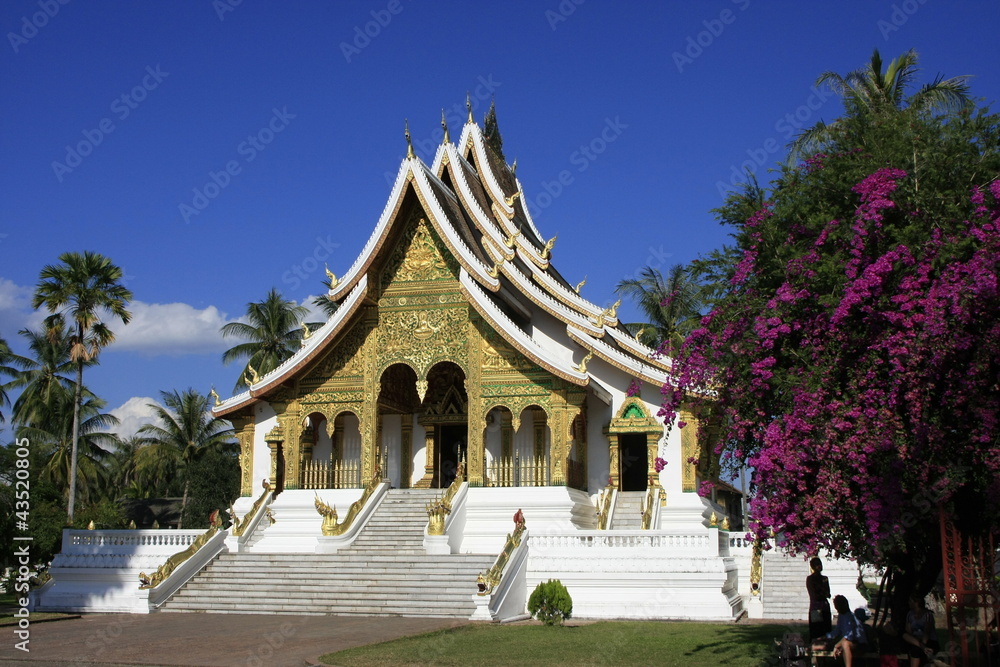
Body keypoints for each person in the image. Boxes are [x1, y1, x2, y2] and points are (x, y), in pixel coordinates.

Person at [814, 594, 867, 666]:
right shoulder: (841, 616)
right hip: (848, 642)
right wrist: (824, 637)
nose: (836, 608)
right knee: (818, 645)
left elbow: (849, 636)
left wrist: (837, 645)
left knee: (845, 644)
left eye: (838, 605)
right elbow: (837, 631)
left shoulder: (849, 617)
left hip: (858, 644)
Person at [903, 596, 937, 666]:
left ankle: (923, 647)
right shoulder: (910, 614)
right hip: (915, 639)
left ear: (916, 603)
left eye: (910, 601)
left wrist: (923, 643)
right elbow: (908, 631)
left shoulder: (927, 615)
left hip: (927, 640)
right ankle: (923, 647)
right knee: (905, 635)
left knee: (916, 650)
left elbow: (927, 632)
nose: (908, 603)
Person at [807, 556, 833, 641]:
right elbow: (814, 594)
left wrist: (823, 593)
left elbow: (828, 593)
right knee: (816, 629)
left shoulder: (824, 578)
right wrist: (823, 593)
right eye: (817, 564)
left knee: (826, 628)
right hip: (815, 606)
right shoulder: (810, 579)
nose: (819, 566)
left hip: (824, 606)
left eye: (820, 564)